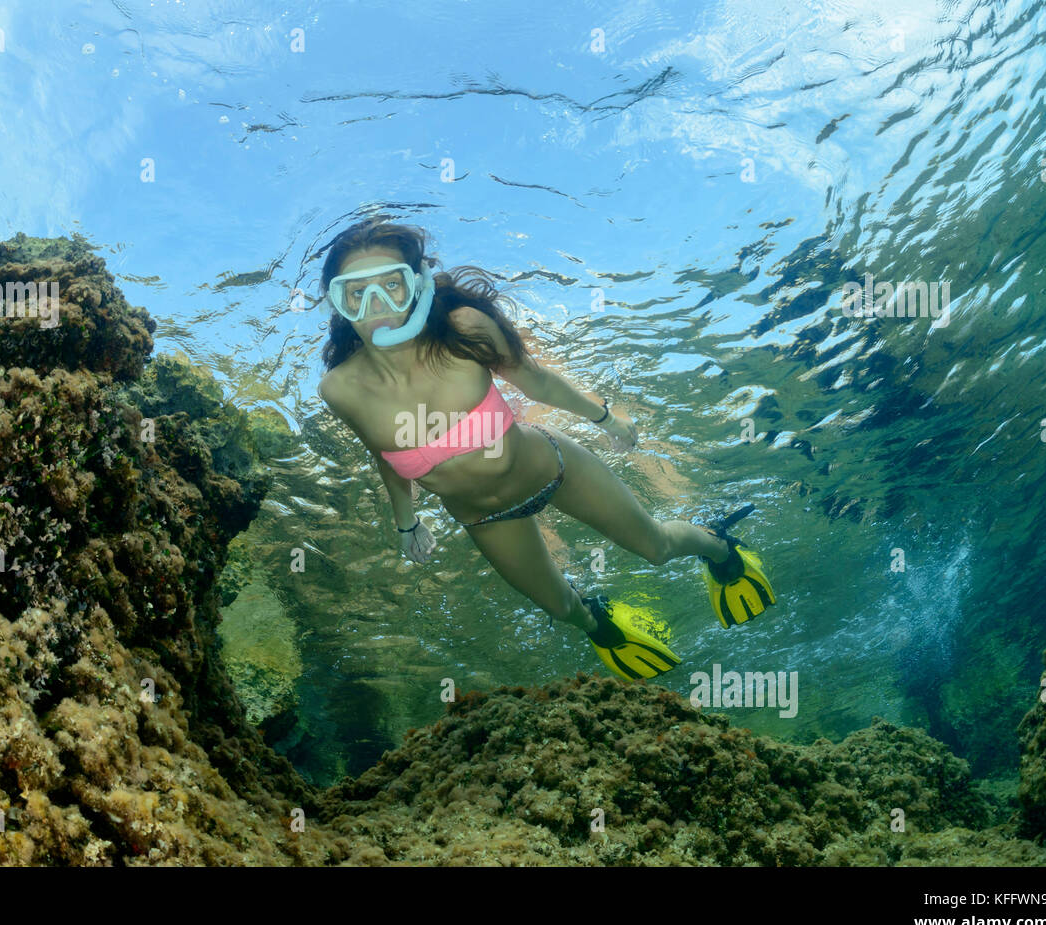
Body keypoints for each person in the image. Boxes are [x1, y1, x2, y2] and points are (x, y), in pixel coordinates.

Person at [317, 218, 772, 680]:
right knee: (562, 608)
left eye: (391, 286)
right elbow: (385, 456)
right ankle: (600, 620)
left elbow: (537, 382)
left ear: (417, 286)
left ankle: (720, 549)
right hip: (484, 517)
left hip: (552, 468)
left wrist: (605, 417)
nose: (377, 306)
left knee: (654, 547)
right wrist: (406, 522)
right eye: (357, 292)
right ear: (337, 301)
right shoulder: (340, 389)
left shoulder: (464, 329)